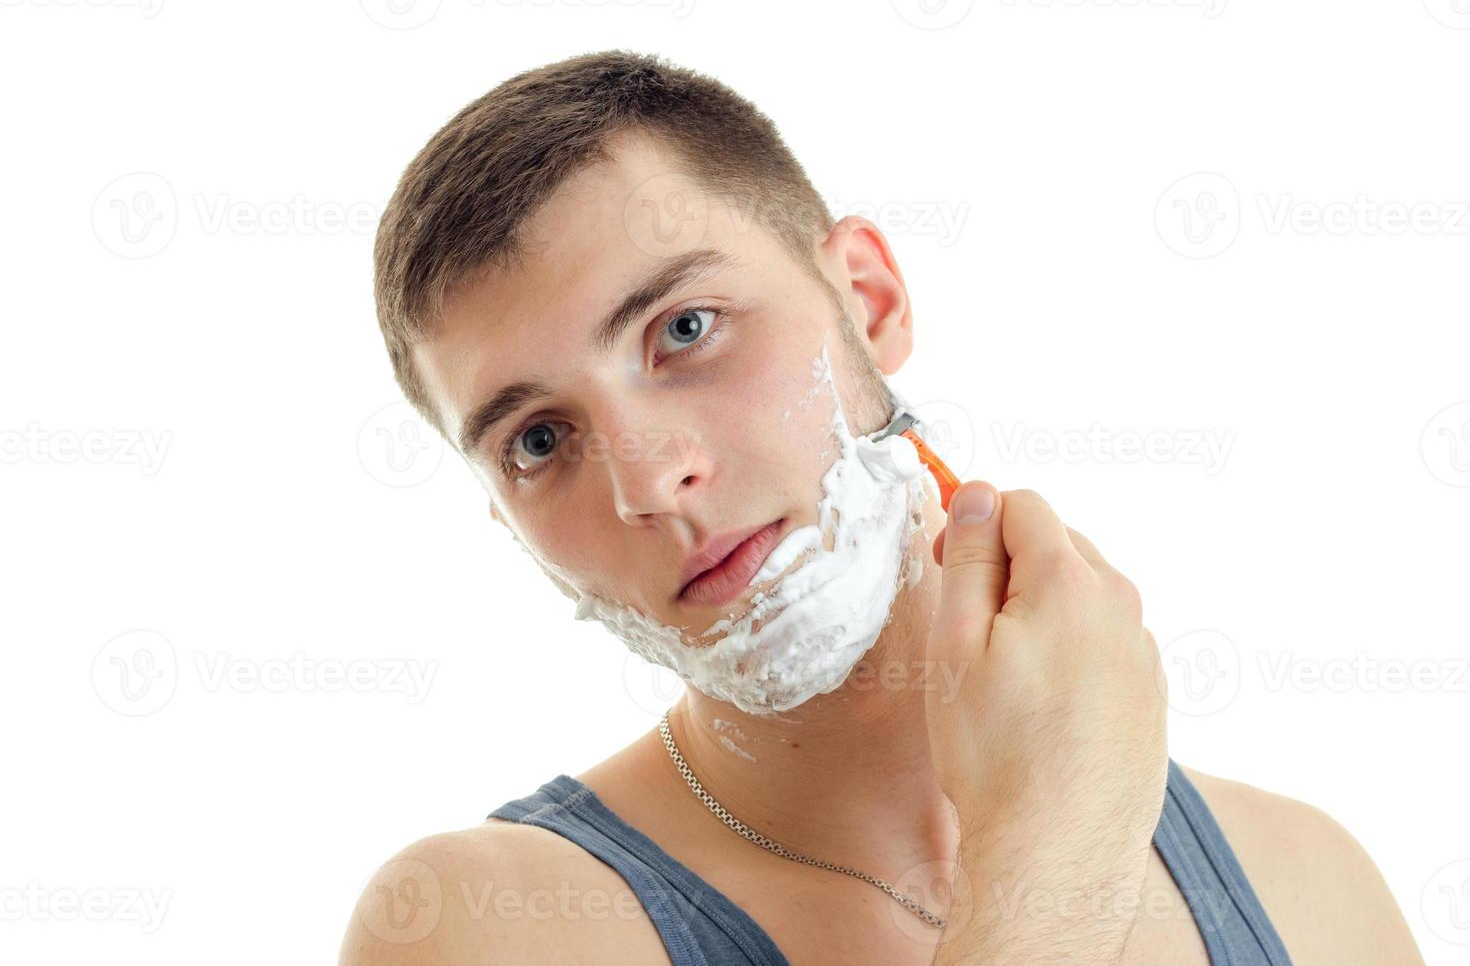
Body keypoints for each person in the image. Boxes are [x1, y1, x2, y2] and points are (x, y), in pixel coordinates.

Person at [338, 50, 1421, 964]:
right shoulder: (489, 924)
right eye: (537, 440)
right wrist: (1049, 857)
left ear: (869, 299)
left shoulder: (1308, 883)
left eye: (683, 329)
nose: (646, 481)